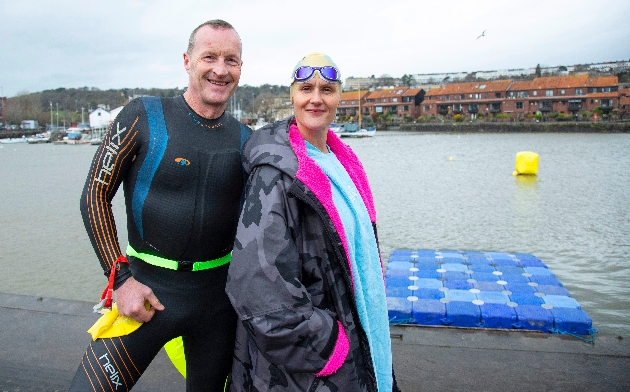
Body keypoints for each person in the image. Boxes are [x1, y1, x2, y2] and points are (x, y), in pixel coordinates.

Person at [69, 19, 251, 391]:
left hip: (218, 305)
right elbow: (94, 195)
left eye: (230, 60)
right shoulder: (143, 116)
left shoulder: (248, 140)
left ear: (240, 68)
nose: (220, 69)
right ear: (187, 60)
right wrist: (120, 280)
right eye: (209, 57)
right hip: (147, 293)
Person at [226, 53, 399, 392]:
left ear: (340, 98)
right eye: (306, 88)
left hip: (359, 338)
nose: (316, 98)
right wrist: (329, 346)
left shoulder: (342, 163)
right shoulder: (276, 175)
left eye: (327, 89)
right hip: (309, 369)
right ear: (291, 96)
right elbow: (258, 287)